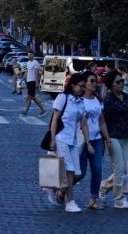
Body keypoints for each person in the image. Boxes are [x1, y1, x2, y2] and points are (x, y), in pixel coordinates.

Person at [99, 69, 128, 209]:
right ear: (111, 85)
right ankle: (119, 199)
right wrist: (106, 138)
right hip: (113, 137)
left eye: (122, 81)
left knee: (124, 169)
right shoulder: (107, 100)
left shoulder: (126, 97)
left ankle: (104, 186)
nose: (121, 84)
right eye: (118, 82)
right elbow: (102, 120)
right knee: (120, 168)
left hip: (126, 136)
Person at [47, 72, 87, 212]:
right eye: (80, 86)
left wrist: (87, 140)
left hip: (73, 140)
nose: (82, 89)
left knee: (77, 173)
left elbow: (82, 122)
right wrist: (52, 139)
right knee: (70, 170)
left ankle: (57, 187)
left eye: (83, 86)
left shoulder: (80, 102)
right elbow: (54, 119)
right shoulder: (62, 98)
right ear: (73, 85)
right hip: (61, 138)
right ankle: (70, 202)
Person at [77, 70, 110, 210]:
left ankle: (93, 199)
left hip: (96, 139)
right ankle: (62, 189)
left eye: (96, 81)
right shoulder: (78, 100)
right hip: (80, 141)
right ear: (85, 83)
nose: (95, 83)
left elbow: (101, 121)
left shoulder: (98, 100)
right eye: (92, 81)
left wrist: (106, 137)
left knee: (97, 169)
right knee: (80, 172)